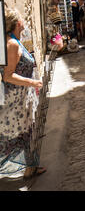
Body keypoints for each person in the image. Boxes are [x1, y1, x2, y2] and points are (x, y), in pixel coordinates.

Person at [0, 9, 46, 179]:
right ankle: (30, 167)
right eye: (22, 19)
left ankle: (31, 167)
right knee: (14, 135)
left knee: (27, 133)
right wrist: (33, 83)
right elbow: (8, 75)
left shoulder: (15, 41)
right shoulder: (11, 44)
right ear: (18, 23)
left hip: (22, 100)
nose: (25, 22)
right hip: (15, 102)